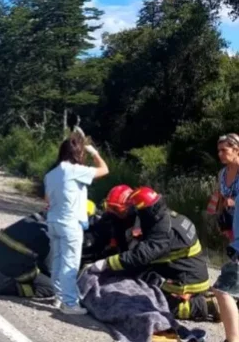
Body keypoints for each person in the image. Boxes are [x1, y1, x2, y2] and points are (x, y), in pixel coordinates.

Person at [88, 186, 217, 322]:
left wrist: (107, 263)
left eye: (117, 210)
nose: (113, 213)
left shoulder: (162, 230)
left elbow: (140, 256)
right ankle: (202, 296)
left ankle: (205, 306)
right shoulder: (163, 216)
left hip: (187, 279)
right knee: (142, 279)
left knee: (156, 305)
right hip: (185, 270)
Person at [43, 133, 109, 314]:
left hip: (53, 221)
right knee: (70, 264)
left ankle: (58, 296)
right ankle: (70, 303)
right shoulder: (74, 170)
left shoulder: (51, 174)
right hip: (70, 223)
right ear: (77, 154)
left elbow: (46, 199)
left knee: (56, 261)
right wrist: (95, 153)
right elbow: (104, 170)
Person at [0, 201, 100, 300]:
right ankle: (16, 288)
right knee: (50, 287)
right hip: (9, 262)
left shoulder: (39, 217)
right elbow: (51, 270)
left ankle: (9, 274)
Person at [209, 133, 239, 240]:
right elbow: (221, 197)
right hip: (230, 225)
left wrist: (235, 202)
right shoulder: (222, 173)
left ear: (236, 150)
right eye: (218, 151)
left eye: (224, 150)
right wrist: (218, 216)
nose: (220, 154)